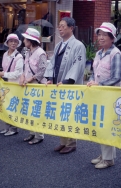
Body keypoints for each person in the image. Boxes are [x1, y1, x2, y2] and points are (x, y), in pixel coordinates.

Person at [44, 17, 86, 154]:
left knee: (69, 113)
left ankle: (71, 143)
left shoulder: (78, 45)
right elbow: (52, 63)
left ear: (71, 28)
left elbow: (78, 65)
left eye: (63, 26)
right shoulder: (58, 45)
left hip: (69, 85)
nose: (60, 28)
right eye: (59, 26)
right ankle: (63, 142)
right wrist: (50, 78)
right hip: (58, 83)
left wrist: (68, 81)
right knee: (61, 113)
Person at [87, 22, 121, 169]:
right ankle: (105, 155)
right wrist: (90, 81)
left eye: (105, 35)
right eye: (99, 34)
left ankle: (108, 159)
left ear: (112, 38)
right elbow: (93, 73)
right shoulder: (99, 53)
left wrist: (99, 85)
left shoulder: (116, 54)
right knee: (101, 124)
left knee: (106, 125)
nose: (101, 38)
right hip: (99, 95)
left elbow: (116, 77)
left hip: (110, 96)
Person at [19, 28, 47, 144]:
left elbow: (43, 70)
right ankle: (32, 132)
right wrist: (23, 76)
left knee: (36, 109)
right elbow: (25, 67)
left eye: (26, 38)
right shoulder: (27, 52)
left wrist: (32, 78)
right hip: (29, 84)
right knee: (29, 109)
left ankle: (39, 135)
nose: (24, 40)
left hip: (36, 84)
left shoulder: (41, 53)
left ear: (31, 40)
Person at [0, 34, 24, 136]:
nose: (13, 43)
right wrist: (0, 74)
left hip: (15, 85)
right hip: (6, 84)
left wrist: (2, 74)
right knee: (6, 105)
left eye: (15, 41)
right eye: (11, 41)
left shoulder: (19, 56)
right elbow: (5, 69)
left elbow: (18, 74)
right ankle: (7, 127)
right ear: (7, 43)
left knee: (13, 106)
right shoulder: (5, 55)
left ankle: (14, 128)